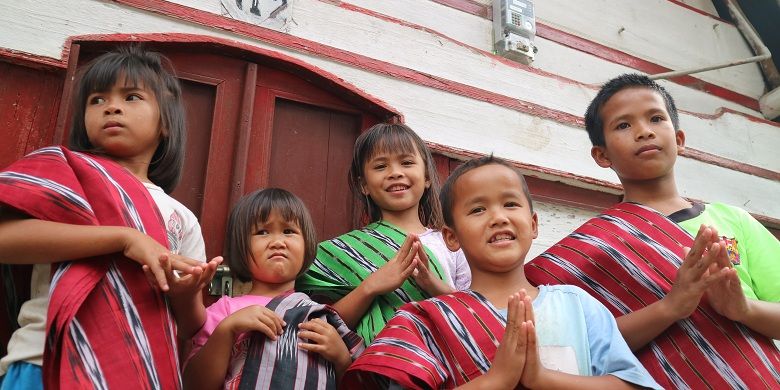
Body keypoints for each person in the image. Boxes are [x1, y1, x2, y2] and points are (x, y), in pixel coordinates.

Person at [525, 73, 780, 389]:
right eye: (623, 125)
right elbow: (577, 349)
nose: (644, 131)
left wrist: (743, 309)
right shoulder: (592, 251)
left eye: (656, 118)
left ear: (680, 139)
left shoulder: (731, 220)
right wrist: (670, 308)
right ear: (601, 155)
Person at [0, 46, 219, 389]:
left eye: (132, 97)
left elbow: (191, 325)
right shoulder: (64, 175)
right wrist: (125, 238)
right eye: (97, 100)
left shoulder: (181, 217)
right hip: (45, 362)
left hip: (134, 373)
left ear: (165, 124)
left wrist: (185, 293)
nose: (112, 106)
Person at [343, 156, 661, 389]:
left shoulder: (577, 306)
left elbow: (634, 385)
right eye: (478, 209)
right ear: (451, 237)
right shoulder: (427, 321)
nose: (498, 218)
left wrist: (543, 378)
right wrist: (497, 379)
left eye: (510, 204)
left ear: (533, 225)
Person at [296, 123, 471, 345]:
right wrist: (371, 287)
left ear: (427, 176)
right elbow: (328, 327)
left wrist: (430, 283)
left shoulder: (450, 244)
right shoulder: (345, 252)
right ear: (363, 185)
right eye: (380, 167)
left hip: (444, 366)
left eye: (407, 163)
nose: (395, 173)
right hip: (379, 368)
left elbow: (472, 316)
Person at [183, 188, 363, 389]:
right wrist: (227, 330)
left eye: (288, 231)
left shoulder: (320, 315)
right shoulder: (226, 311)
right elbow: (194, 384)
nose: (278, 242)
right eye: (262, 232)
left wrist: (341, 359)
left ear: (307, 244)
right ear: (241, 246)